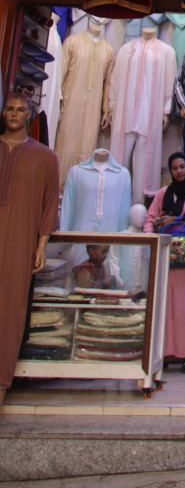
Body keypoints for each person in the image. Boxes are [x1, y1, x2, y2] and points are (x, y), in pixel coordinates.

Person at [0, 91, 59, 405]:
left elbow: (49, 204)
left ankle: (1, 385)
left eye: (19, 109)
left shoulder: (45, 158)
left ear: (29, 115)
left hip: (20, 243)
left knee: (10, 311)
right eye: (9, 109)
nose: (13, 114)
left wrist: (41, 245)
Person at [144, 150, 185, 364]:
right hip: (166, 257)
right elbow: (150, 217)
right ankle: (166, 352)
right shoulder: (163, 193)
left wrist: (176, 219)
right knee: (166, 303)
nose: (179, 171)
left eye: (182, 166)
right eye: (174, 168)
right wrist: (150, 238)